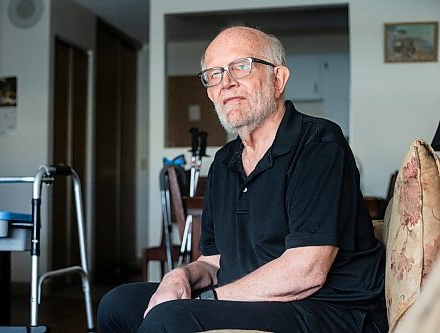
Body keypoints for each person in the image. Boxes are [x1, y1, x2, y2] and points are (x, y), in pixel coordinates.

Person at [97, 26, 388, 333]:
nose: (226, 82)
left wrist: (207, 301)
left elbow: (308, 271)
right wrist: (180, 276)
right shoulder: (224, 162)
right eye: (214, 74)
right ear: (210, 91)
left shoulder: (319, 144)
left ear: (278, 80)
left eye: (241, 66)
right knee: (118, 304)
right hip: (249, 297)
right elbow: (213, 261)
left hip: (328, 308)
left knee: (170, 320)